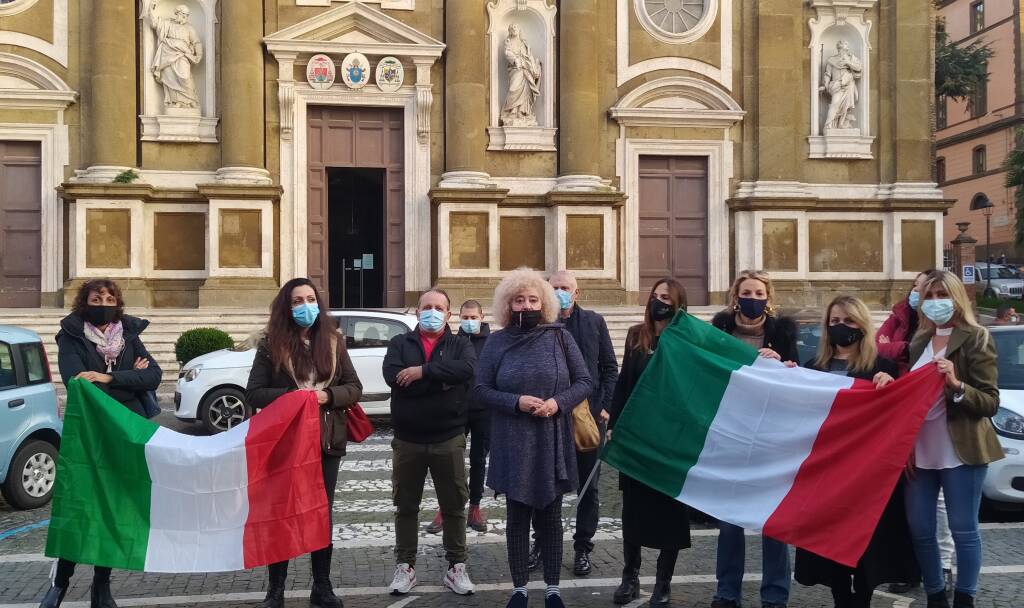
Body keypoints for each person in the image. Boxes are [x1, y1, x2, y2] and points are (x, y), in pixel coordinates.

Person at [474, 268, 594, 608]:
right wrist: (516, 402)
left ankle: (553, 588)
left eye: (532, 299)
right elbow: (481, 390)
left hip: (550, 438)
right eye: (518, 300)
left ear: (544, 303)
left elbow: (585, 381)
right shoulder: (497, 341)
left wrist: (558, 403)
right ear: (507, 305)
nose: (525, 305)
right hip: (512, 440)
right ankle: (520, 589)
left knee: (551, 518)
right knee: (517, 519)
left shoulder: (560, 337)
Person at [41, 279, 162, 608]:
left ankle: (101, 586)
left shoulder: (130, 336)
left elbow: (153, 376)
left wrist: (108, 377)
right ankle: (60, 583)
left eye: (110, 298)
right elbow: (76, 382)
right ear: (85, 302)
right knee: (79, 507)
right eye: (97, 298)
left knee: (112, 510)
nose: (104, 303)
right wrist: (127, 383)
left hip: (123, 436)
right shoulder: (71, 335)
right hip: (89, 437)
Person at [795, 296, 920, 607]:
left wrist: (890, 386)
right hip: (827, 472)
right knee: (831, 539)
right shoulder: (813, 369)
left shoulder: (883, 367)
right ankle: (841, 598)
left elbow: (900, 416)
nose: (841, 327)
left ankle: (862, 598)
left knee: (866, 541)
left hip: (867, 475)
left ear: (862, 326)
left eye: (849, 321)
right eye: (835, 321)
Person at [246, 278, 362, 608]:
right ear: (287, 307)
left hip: (326, 443)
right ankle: (276, 590)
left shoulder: (334, 341)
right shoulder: (272, 344)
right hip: (286, 444)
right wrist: (293, 397)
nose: (306, 306)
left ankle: (322, 587)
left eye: (310, 299)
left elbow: (354, 387)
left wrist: (327, 395)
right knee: (281, 513)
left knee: (320, 515)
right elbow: (253, 392)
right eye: (298, 301)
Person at [905, 270, 1003, 608]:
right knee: (920, 529)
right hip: (920, 449)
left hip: (961, 448)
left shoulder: (976, 337)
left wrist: (958, 385)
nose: (935, 303)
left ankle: (965, 597)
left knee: (963, 529)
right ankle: (935, 594)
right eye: (929, 296)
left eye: (941, 295)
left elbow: (990, 401)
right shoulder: (918, 341)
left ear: (956, 297)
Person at [382, 288, 478, 596]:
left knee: (454, 506)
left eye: (439, 307)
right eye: (427, 306)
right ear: (417, 311)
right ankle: (405, 566)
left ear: (449, 314)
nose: (432, 312)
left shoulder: (460, 343)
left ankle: (456, 567)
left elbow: (467, 371)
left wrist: (422, 372)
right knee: (406, 506)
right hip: (407, 439)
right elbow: (392, 377)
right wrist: (442, 383)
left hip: (448, 438)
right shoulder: (400, 343)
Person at [522, 271, 617, 577]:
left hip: (586, 416)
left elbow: (609, 368)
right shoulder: (537, 324)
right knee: (545, 487)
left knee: (588, 489)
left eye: (566, 288)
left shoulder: (594, 323)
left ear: (577, 293)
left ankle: (582, 549)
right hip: (548, 417)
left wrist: (603, 409)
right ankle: (541, 544)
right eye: (555, 287)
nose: (560, 291)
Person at [710, 269, 796, 608]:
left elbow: (798, 374)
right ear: (736, 295)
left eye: (760, 294)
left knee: (773, 520)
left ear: (768, 298)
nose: (754, 298)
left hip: (771, 436)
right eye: (748, 292)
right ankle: (726, 591)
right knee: (729, 521)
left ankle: (775, 594)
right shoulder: (719, 328)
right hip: (731, 433)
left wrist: (783, 363)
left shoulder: (783, 332)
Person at [608, 278, 690, 606]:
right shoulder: (635, 336)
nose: (659, 302)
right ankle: (630, 575)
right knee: (633, 512)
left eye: (666, 298)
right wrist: (614, 425)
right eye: (655, 296)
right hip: (637, 440)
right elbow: (624, 382)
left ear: (678, 304)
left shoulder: (686, 341)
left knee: (670, 512)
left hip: (671, 444)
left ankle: (663, 581)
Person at [877, 271, 955, 594]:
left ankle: (946, 567)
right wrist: (901, 349)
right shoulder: (900, 318)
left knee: (941, 506)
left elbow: (896, 350)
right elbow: (882, 348)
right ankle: (914, 569)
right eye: (918, 288)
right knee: (914, 507)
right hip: (904, 418)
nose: (920, 292)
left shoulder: (941, 331)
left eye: (927, 288)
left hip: (939, 426)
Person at [425, 299, 492, 533]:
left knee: (478, 461)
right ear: (458, 317)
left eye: (474, 317)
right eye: (466, 317)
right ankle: (446, 507)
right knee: (449, 460)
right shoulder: (452, 342)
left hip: (484, 411)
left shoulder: (493, 343)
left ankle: (475, 506)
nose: (470, 321)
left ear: (482, 317)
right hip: (456, 409)